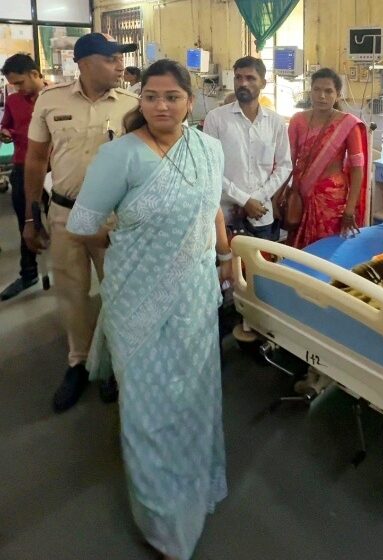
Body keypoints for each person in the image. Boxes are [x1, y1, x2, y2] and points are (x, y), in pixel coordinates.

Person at [66, 58, 229, 560]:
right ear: (140, 100)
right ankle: (163, 523)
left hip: (195, 296)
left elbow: (213, 210)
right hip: (138, 298)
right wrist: (130, 241)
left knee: (194, 396)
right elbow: (83, 224)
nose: (162, 106)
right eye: (152, 96)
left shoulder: (209, 149)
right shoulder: (120, 156)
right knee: (148, 411)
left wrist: (226, 259)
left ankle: (195, 484)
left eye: (172, 97)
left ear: (190, 102)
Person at [23, 33, 139, 412]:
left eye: (120, 59)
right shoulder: (50, 100)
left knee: (117, 292)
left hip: (113, 218)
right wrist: (31, 216)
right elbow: (36, 160)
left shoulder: (131, 105)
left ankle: (113, 361)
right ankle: (79, 362)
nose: (120, 65)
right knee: (72, 293)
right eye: (111, 59)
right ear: (85, 63)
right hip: (65, 214)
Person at [203, 56, 291, 241]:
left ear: (263, 83)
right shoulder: (216, 118)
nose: (243, 83)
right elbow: (210, 168)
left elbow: (284, 165)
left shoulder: (275, 122)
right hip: (225, 216)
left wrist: (257, 198)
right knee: (227, 260)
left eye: (250, 78)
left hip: (261, 214)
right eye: (238, 77)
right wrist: (244, 200)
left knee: (261, 260)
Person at [287, 67, 369, 249]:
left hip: (332, 199)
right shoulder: (297, 120)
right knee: (298, 250)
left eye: (328, 91)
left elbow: (357, 169)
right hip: (300, 196)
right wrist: (283, 195)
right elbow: (288, 162)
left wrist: (350, 209)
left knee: (328, 249)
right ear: (310, 92)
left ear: (338, 95)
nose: (321, 96)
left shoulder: (348, 124)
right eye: (317, 89)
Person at [0, 54, 48, 301]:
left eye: (19, 82)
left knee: (63, 220)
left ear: (34, 74)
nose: (17, 88)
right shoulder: (13, 100)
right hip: (22, 165)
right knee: (27, 223)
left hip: (54, 168)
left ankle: (69, 270)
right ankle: (28, 274)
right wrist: (5, 132)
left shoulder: (55, 98)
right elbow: (6, 125)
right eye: (13, 84)